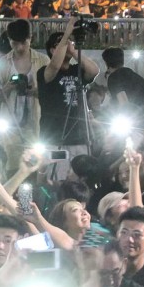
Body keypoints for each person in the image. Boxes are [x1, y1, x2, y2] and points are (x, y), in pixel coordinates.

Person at [38, 19, 100, 177]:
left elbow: (94, 71)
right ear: (53, 50)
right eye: (61, 44)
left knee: (82, 178)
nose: (67, 44)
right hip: (55, 137)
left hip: (80, 136)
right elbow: (54, 66)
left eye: (69, 42)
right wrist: (66, 34)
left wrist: (73, 51)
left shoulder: (76, 70)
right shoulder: (44, 71)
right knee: (57, 178)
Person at [102, 47, 144, 130]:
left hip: (139, 119)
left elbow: (124, 103)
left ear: (106, 63)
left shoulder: (113, 77)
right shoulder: (133, 74)